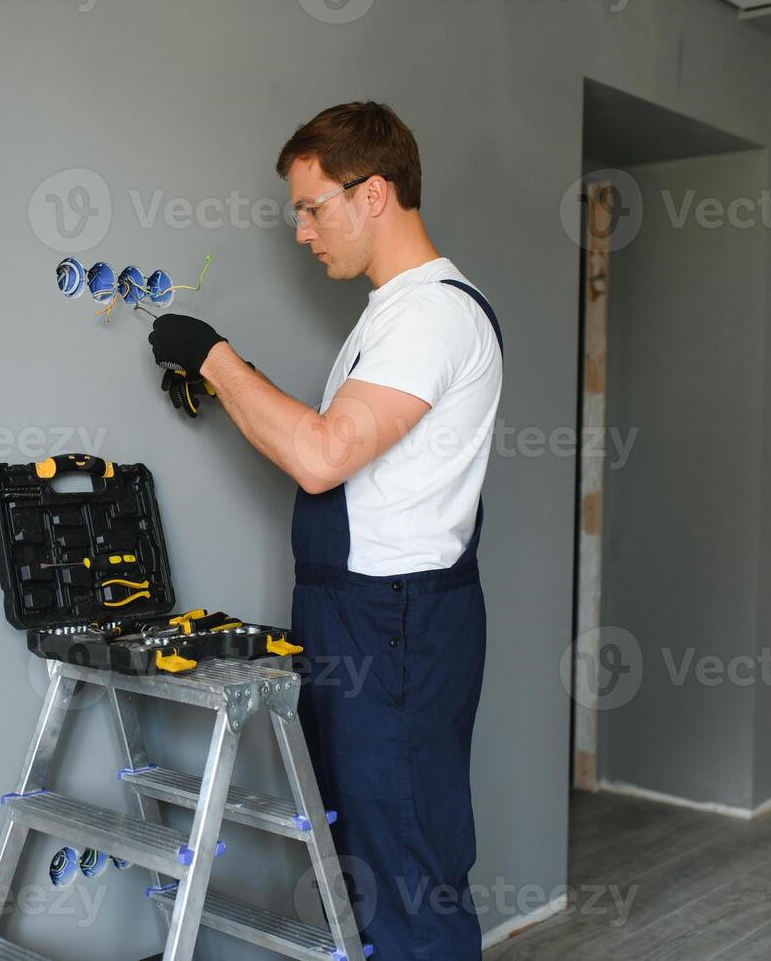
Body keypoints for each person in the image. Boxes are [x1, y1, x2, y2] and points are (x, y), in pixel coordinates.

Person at [148, 101, 504, 960]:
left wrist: (215, 358)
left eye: (312, 207)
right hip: (364, 617)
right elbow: (347, 438)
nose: (302, 232)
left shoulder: (430, 315)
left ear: (373, 191)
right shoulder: (392, 313)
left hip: (397, 626)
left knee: (410, 872)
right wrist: (236, 391)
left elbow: (322, 457)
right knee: (365, 867)